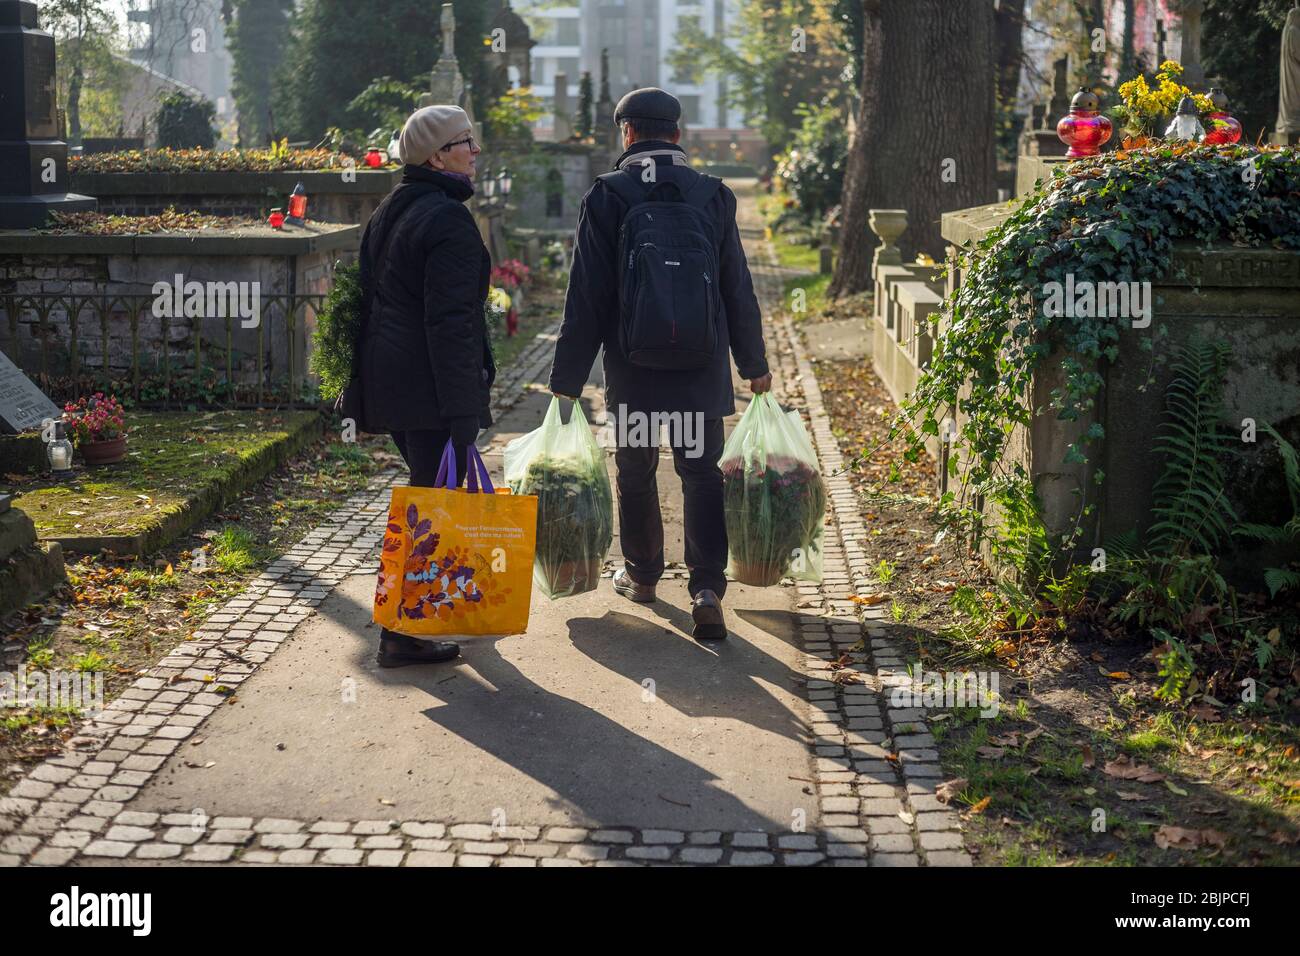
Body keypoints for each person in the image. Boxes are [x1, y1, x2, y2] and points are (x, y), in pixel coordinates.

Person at [548, 88, 772, 642]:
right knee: (701, 474)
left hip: (633, 367)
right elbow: (735, 288)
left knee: (637, 470)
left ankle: (644, 577)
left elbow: (588, 296)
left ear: (627, 133)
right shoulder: (711, 194)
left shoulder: (608, 193)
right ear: (678, 134)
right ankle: (705, 589)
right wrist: (754, 364)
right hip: (700, 366)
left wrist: (567, 382)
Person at [357, 104, 494, 667]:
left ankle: (407, 624)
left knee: (422, 501)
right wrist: (464, 412)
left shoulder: (393, 208)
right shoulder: (446, 220)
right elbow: (451, 323)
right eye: (466, 142)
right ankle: (400, 634)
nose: (475, 151)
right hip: (429, 389)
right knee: (428, 509)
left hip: (394, 384)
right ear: (438, 155)